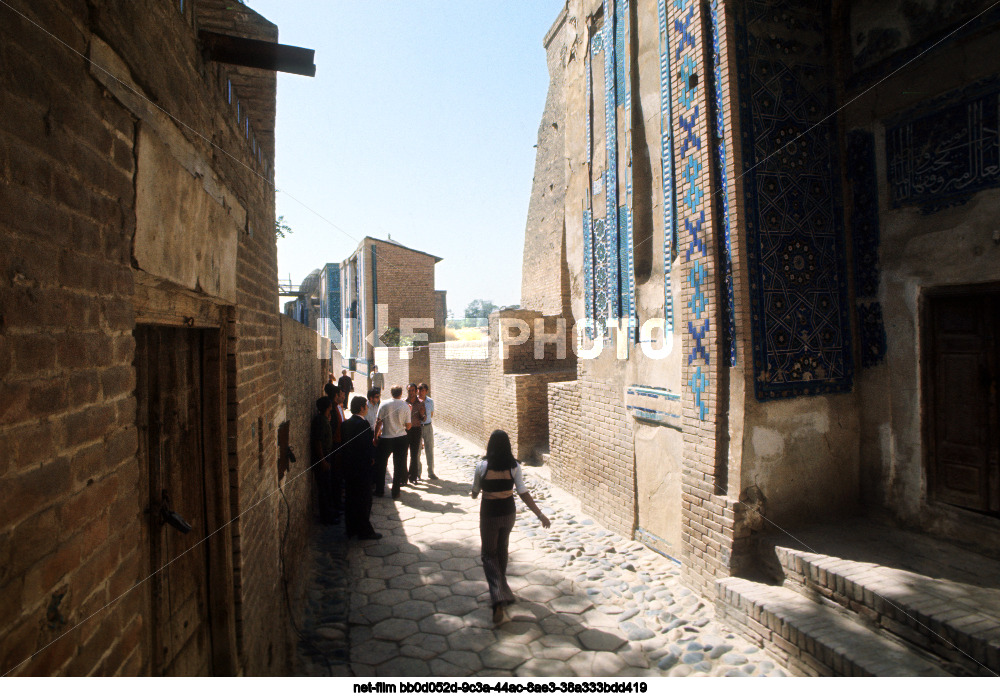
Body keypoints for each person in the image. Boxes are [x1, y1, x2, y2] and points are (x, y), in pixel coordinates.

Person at [471, 430, 550, 625]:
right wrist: (540, 514)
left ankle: (497, 597)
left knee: (488, 555)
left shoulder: (482, 466)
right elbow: (522, 491)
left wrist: (476, 491)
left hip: (489, 514)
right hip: (508, 514)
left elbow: (474, 492)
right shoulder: (514, 466)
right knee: (502, 549)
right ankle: (504, 589)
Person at [341, 396, 381, 540]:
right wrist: (371, 459)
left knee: (351, 499)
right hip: (361, 469)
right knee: (364, 500)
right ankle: (364, 530)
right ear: (361, 408)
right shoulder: (362, 425)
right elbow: (365, 448)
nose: (367, 408)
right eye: (365, 406)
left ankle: (351, 528)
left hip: (349, 468)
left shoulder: (346, 424)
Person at [375, 385, 411, 499]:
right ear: (401, 393)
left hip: (386, 438)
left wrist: (375, 436)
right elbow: (408, 426)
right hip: (401, 438)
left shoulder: (384, 404)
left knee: (381, 465)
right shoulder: (405, 406)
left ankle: (380, 490)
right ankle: (395, 492)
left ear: (391, 392)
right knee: (398, 465)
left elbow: (378, 422)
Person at [310, 397, 338, 524]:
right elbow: (318, 442)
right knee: (324, 489)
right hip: (322, 458)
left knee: (327, 487)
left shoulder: (324, 419)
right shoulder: (320, 421)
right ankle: (326, 517)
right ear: (328, 407)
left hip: (326, 456)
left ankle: (330, 513)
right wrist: (323, 461)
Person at [405, 383, 426, 484]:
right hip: (405, 431)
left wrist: (422, 414)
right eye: (409, 390)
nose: (411, 392)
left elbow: (423, 418)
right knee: (404, 454)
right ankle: (403, 476)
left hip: (416, 430)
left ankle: (413, 477)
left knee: (414, 454)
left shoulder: (421, 403)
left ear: (416, 391)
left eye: (413, 390)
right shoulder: (403, 403)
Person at [418, 383, 437, 480]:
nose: (420, 392)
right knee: (417, 451)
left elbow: (431, 414)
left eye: (423, 390)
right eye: (419, 390)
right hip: (418, 427)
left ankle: (431, 472)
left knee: (429, 449)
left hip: (428, 427)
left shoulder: (430, 401)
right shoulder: (415, 401)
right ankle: (418, 473)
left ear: (426, 391)